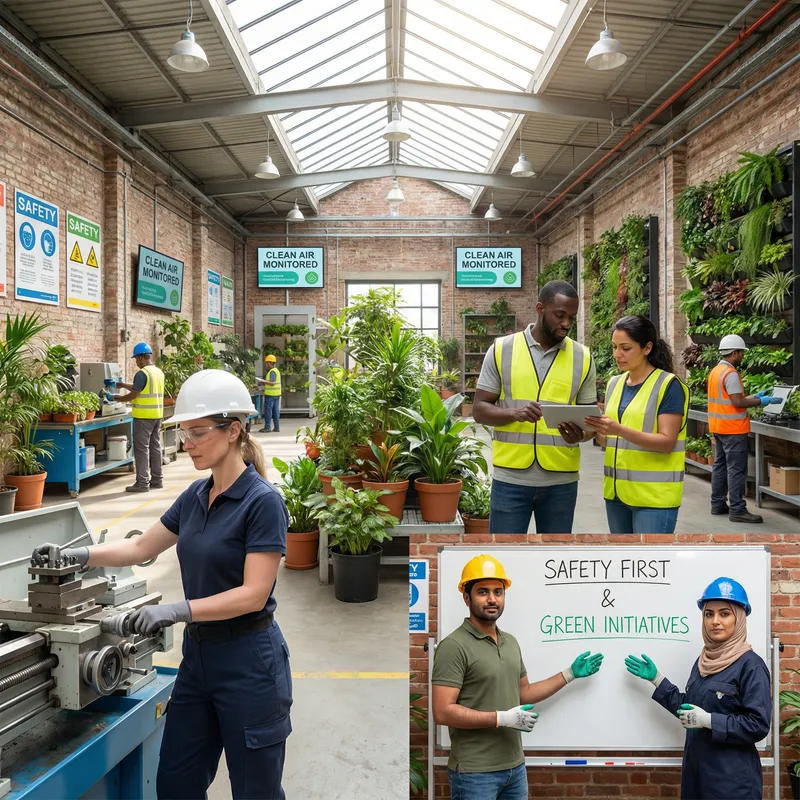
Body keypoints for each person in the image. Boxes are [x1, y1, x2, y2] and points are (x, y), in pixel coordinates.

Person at [33, 369, 291, 799]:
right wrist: (75, 554)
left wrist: (174, 610)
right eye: (183, 432)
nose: (185, 443)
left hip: (250, 663)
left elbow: (254, 594)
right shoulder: (194, 495)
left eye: (197, 433)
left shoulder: (262, 502)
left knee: (255, 791)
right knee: (175, 782)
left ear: (234, 430)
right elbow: (140, 548)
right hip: (200, 660)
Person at [432, 554, 604, 800]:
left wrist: (569, 674)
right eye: (483, 592)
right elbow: (442, 711)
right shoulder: (454, 646)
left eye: (498, 592)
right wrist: (502, 718)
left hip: (515, 768)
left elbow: (524, 692)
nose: (492, 599)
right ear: (466, 597)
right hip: (474, 773)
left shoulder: (510, 642)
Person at [625, 577, 770, 800]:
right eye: (709, 614)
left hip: (732, 783)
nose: (715, 621)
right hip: (697, 777)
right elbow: (691, 710)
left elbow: (758, 725)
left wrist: (709, 720)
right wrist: (657, 679)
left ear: (738, 618)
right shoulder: (703, 661)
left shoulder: (751, 665)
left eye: (724, 613)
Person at [473, 281, 596, 534]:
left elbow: (590, 423)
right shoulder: (501, 350)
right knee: (504, 561)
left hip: (561, 481)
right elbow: (479, 409)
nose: (566, 324)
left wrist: (582, 434)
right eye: (559, 315)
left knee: (553, 564)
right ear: (540, 308)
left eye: (571, 317)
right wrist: (514, 414)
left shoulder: (583, 357)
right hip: (510, 480)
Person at [584, 315, 689, 534]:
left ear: (647, 348)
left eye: (625, 348)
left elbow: (667, 442)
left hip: (654, 499)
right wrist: (593, 430)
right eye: (614, 347)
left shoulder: (668, 386)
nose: (617, 355)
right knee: (623, 564)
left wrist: (618, 429)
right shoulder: (615, 383)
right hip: (616, 494)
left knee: (649, 565)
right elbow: (609, 440)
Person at [708, 334, 781, 523]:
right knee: (736, 470)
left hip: (719, 427)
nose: (742, 356)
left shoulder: (716, 371)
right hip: (733, 429)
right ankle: (738, 510)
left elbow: (730, 400)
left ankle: (717, 504)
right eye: (741, 353)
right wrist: (761, 401)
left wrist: (755, 395)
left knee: (720, 466)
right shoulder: (731, 373)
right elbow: (737, 402)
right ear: (734, 352)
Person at [112, 341, 165, 493]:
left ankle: (142, 483)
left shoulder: (142, 373)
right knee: (155, 447)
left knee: (141, 449)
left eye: (136, 359)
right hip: (157, 416)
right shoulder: (157, 372)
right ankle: (157, 480)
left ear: (142, 357)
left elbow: (135, 394)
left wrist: (116, 398)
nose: (136, 362)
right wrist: (123, 385)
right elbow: (141, 387)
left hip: (143, 417)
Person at [258, 353, 281, 434]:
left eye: (267, 363)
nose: (266, 365)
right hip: (276, 395)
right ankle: (276, 427)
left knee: (268, 411)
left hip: (270, 395)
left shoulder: (272, 372)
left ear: (271, 363)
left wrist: (262, 381)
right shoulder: (276, 371)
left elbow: (272, 382)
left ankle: (267, 427)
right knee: (275, 411)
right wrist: (264, 383)